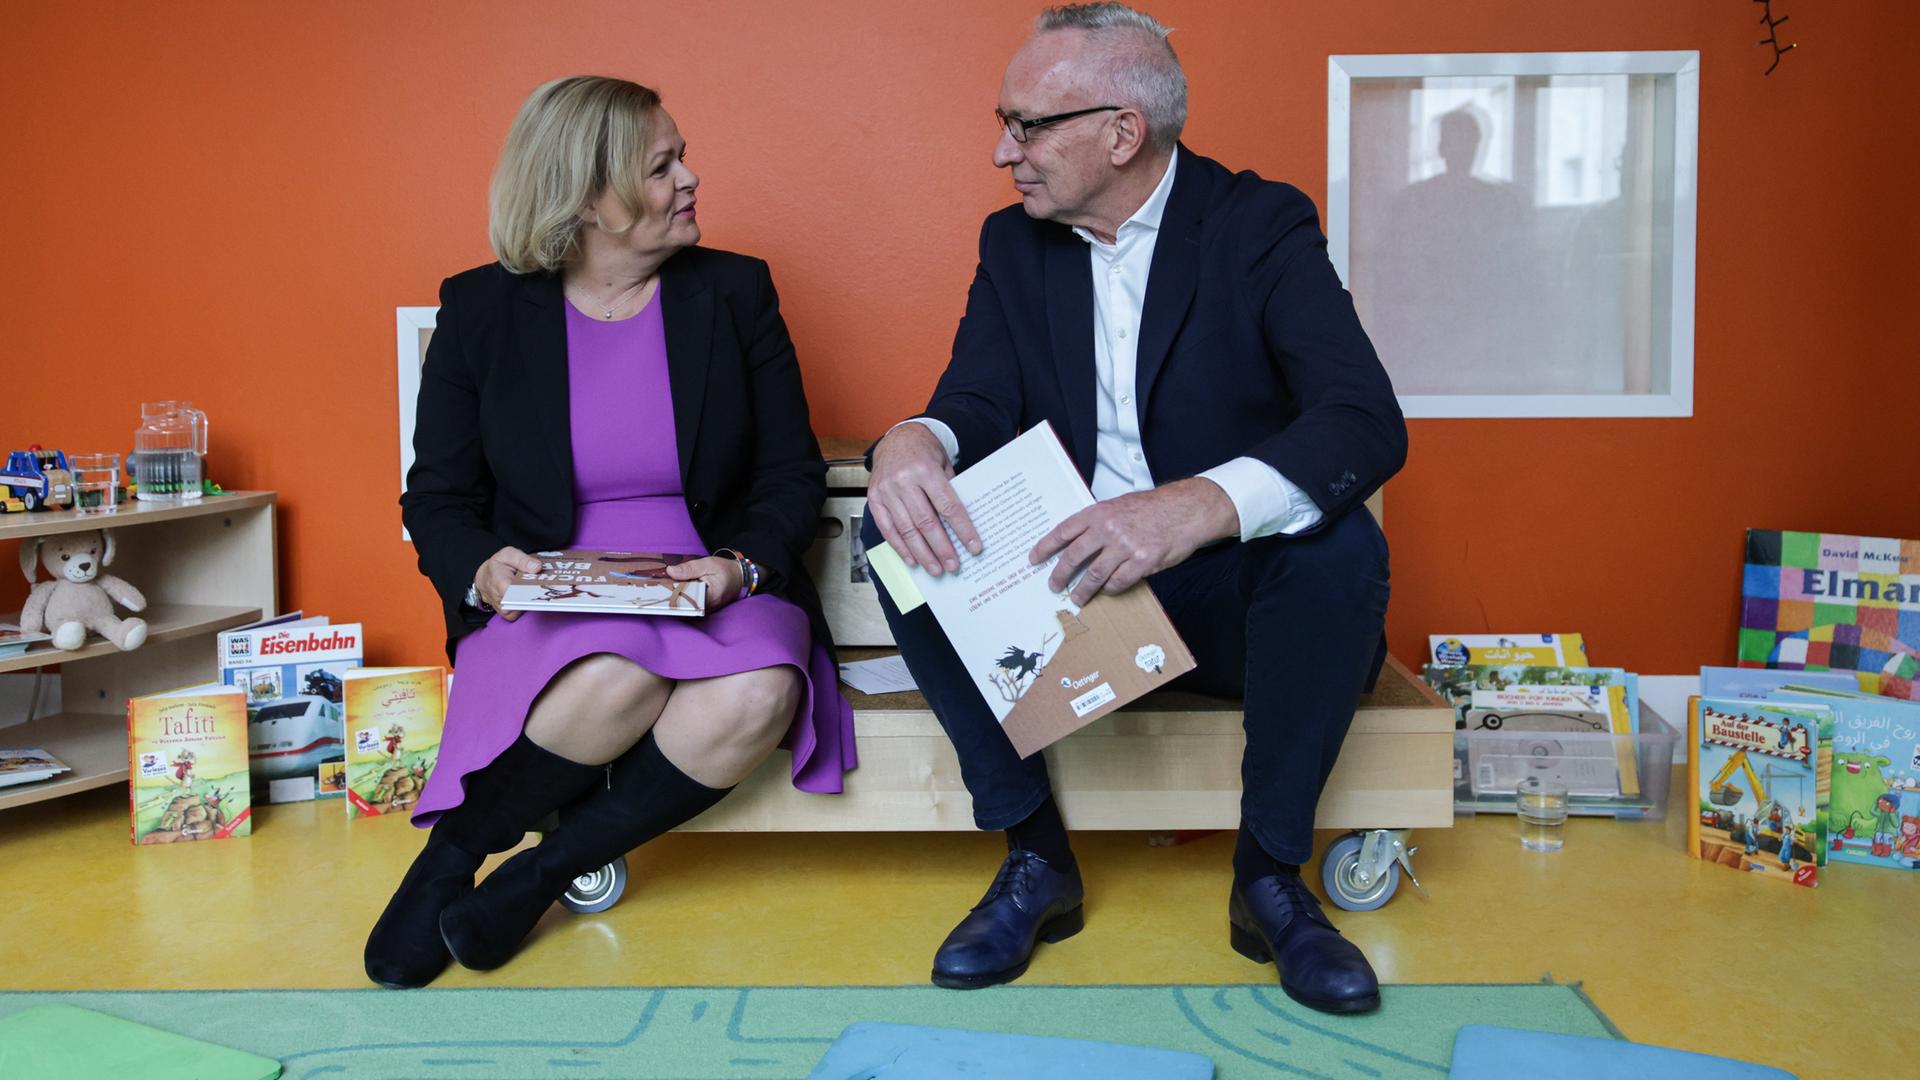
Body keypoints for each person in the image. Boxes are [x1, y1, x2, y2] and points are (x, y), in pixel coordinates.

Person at [861, 4, 1405, 1014]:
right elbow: (974, 400)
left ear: (1122, 132)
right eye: (1004, 122)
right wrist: (912, 442)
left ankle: (1270, 880)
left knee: (1340, 551)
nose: (1000, 152)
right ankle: (1035, 857)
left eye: (1026, 126)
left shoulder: (1258, 224)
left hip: (1226, 598)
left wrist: (1194, 507)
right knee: (890, 529)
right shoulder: (1015, 245)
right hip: (1069, 598)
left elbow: (1363, 421)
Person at [367, 75, 855, 989]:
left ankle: (532, 879)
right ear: (586, 198)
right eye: (663, 165)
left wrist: (738, 569)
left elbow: (792, 472)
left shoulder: (735, 293)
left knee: (756, 693)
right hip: (556, 589)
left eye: (682, 155)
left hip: (715, 576)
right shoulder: (481, 311)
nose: (691, 178)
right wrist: (483, 571)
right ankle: (452, 856)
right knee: (624, 666)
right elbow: (435, 496)